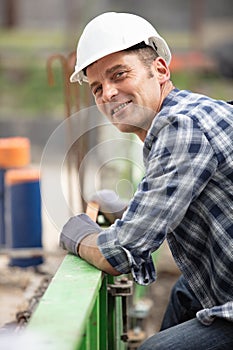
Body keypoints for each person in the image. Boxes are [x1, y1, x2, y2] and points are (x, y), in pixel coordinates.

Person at [60, 12, 233, 349]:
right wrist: (130, 213)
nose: (108, 93)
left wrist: (76, 233)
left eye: (119, 74)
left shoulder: (182, 127)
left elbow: (119, 254)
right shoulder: (187, 114)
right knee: (188, 291)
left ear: (160, 70)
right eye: (97, 87)